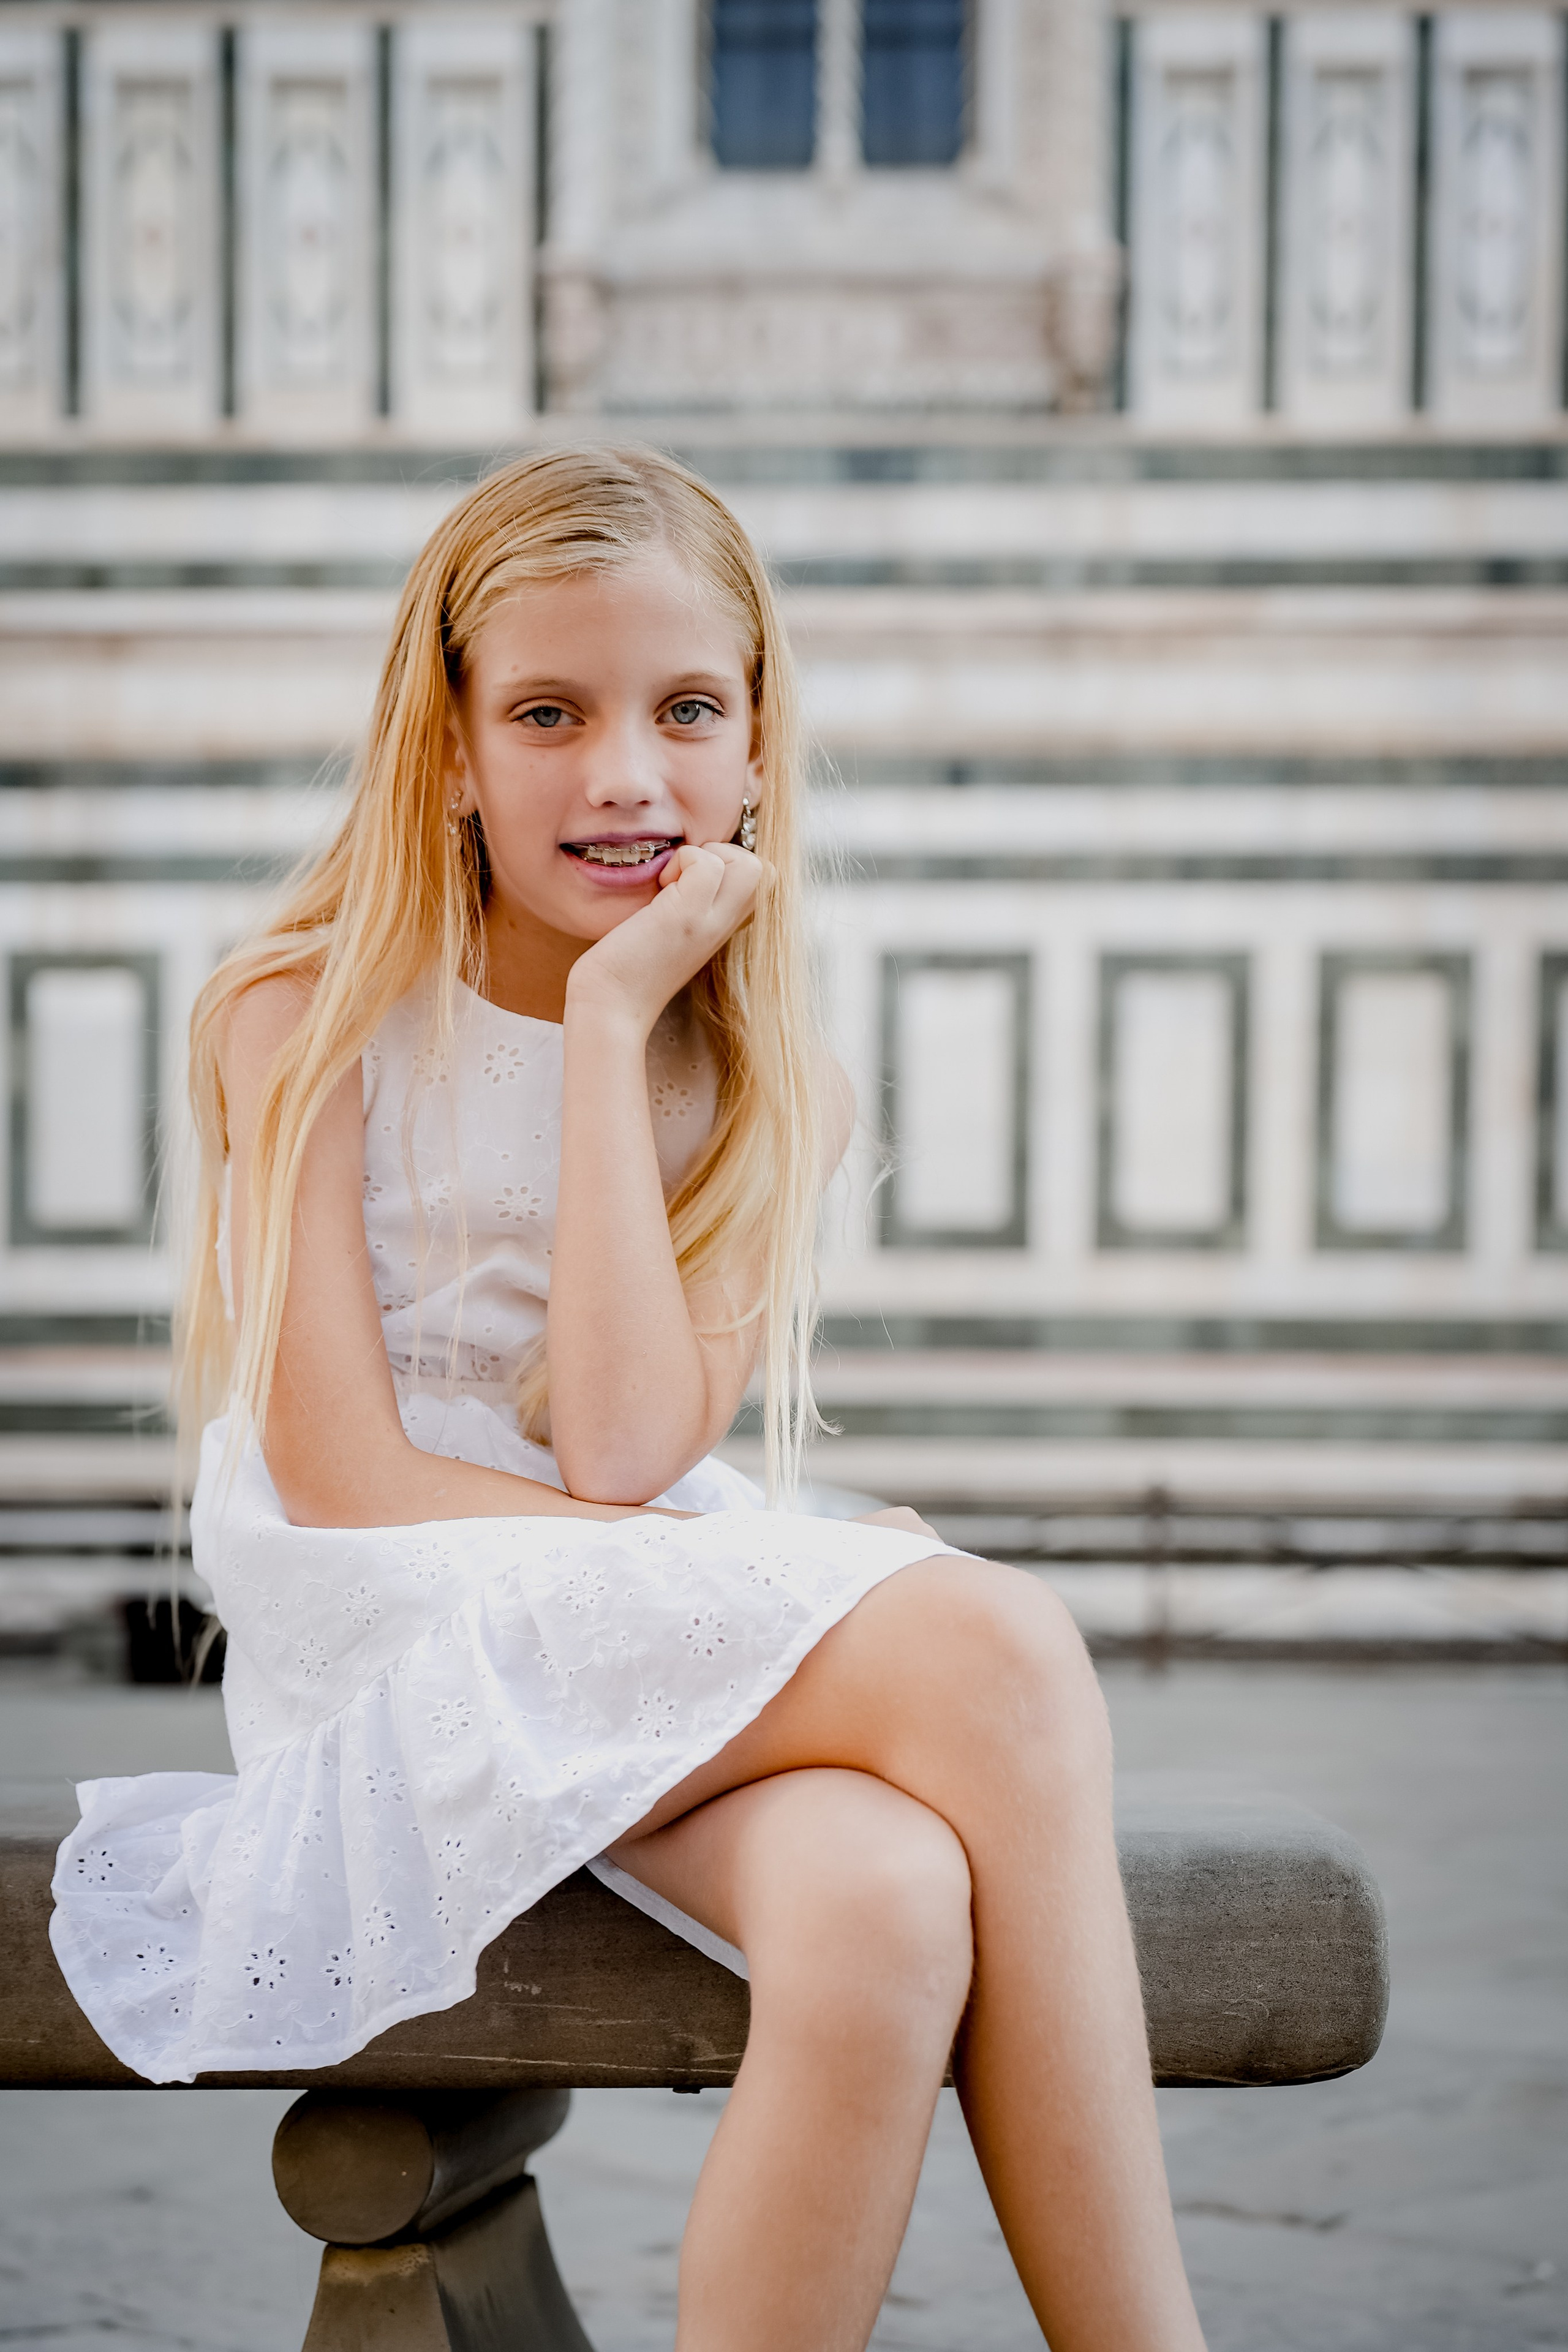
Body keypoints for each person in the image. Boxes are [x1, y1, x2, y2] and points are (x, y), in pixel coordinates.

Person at [51, 447, 1206, 2352]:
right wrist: (774, 1574)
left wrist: (617, 1034)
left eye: (687, 710)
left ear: (759, 746)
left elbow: (617, 1445)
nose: (625, 775)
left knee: (892, 1900)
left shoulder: (767, 1088)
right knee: (998, 1652)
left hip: (616, 1618)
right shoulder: (300, 1015)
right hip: (389, 1652)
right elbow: (340, 1482)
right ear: (447, 749)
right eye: (548, 713)